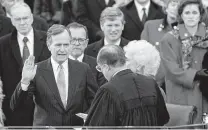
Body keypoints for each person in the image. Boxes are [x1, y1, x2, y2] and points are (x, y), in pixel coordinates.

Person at [10, 24, 98, 126]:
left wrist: (88, 117)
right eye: (58, 45)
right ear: (49, 45)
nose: (62, 49)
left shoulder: (83, 69)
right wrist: (25, 81)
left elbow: (95, 101)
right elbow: (16, 106)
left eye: (66, 45)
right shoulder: (37, 70)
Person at [84, 45, 169, 126]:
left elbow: (96, 127)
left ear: (106, 67)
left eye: (100, 68)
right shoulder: (151, 83)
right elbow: (163, 119)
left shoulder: (108, 90)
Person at [0, 2, 51, 126]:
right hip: (14, 107)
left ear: (32, 18)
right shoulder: (2, 44)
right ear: (11, 20)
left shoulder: (47, 40)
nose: (22, 22)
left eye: (25, 18)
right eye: (18, 19)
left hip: (44, 105)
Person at [160, 0, 208, 123]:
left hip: (205, 95)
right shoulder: (169, 38)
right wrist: (195, 74)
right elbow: (171, 70)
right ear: (181, 15)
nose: (191, 16)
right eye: (187, 13)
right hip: (180, 95)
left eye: (194, 12)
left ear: (200, 15)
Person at [140, 0, 180, 92]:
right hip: (154, 84)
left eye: (180, 5)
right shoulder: (150, 26)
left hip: (177, 86)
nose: (176, 8)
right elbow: (141, 56)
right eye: (173, 4)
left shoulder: (187, 31)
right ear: (166, 7)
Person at [67, 22, 107, 87]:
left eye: (81, 40)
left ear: (86, 43)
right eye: (73, 39)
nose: (77, 43)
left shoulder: (98, 66)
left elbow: (102, 93)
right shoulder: (57, 64)